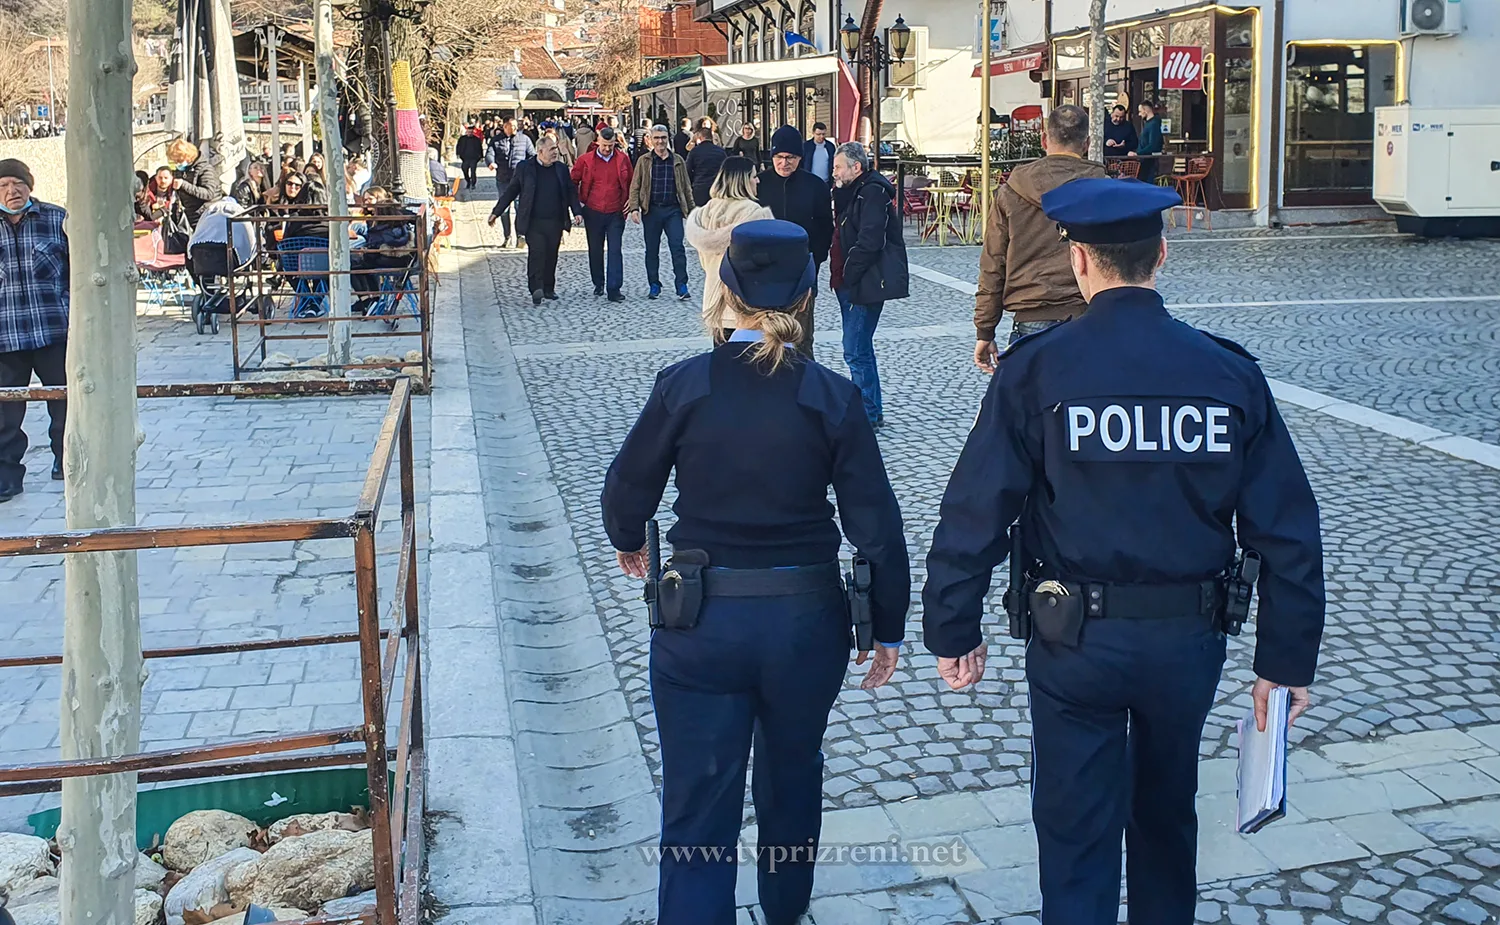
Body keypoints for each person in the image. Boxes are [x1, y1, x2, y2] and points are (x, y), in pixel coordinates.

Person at [922, 178, 1326, 925]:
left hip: (1074, 639)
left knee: (1076, 829)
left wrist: (954, 626)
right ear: (1161, 255)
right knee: (1167, 815)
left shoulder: (1036, 371)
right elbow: (1289, 528)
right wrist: (1285, 660)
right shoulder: (1227, 372)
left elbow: (976, 508)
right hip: (1187, 641)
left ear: (1079, 261)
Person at [601, 218, 909, 925]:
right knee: (793, 778)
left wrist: (627, 537)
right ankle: (784, 912)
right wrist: (887, 625)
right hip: (805, 621)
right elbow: (878, 527)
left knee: (699, 802)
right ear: (806, 296)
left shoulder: (685, 384)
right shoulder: (832, 395)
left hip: (703, 621)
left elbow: (626, 489)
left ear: (726, 291)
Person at [973, 104, 1106, 372]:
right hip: (1087, 313)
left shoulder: (1011, 191)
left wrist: (985, 330)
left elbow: (993, 264)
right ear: (1087, 143)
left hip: (1031, 315)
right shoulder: (1104, 188)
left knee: (1031, 409)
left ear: (1044, 140)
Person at [0, 160, 69, 500]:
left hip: (52, 331)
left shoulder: (57, 219)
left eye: (17, 183)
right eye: (3, 185)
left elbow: (78, 272)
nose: (11, 191)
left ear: (30, 185)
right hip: (5, 336)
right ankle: (7, 476)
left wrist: (70, 307)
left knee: (66, 402)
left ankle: (68, 462)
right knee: (4, 411)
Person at [831, 142, 905, 429]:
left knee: (855, 347)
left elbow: (870, 239)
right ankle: (870, 407)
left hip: (863, 282)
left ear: (856, 167)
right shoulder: (851, 191)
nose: (834, 172)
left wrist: (850, 272)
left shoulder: (872, 192)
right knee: (859, 347)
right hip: (848, 281)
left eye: (838, 167)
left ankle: (868, 412)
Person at [757, 126, 832, 356]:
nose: (784, 163)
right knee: (766, 337)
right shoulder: (759, 184)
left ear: (800, 157)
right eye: (779, 157)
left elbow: (825, 227)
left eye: (790, 157)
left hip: (803, 271)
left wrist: (815, 259)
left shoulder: (815, 185)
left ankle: (803, 384)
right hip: (765, 273)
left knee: (801, 337)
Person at [684, 157, 773, 338]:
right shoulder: (753, 213)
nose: (758, 180)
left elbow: (703, 260)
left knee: (720, 361)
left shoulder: (705, 211)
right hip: (746, 304)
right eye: (754, 176)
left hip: (714, 298)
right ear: (743, 180)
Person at [490, 136, 583, 306]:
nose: (555, 152)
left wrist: (577, 211)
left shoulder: (561, 169)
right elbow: (511, 191)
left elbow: (570, 192)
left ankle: (549, 287)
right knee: (537, 253)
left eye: (555, 148)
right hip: (533, 221)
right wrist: (497, 212)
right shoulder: (525, 168)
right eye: (551, 149)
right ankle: (536, 288)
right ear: (540, 151)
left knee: (551, 254)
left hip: (555, 220)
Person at [627, 124, 695, 301]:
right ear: (650, 139)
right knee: (652, 250)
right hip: (652, 210)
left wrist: (692, 211)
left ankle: (681, 284)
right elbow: (635, 186)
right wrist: (634, 208)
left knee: (677, 248)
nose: (660, 141)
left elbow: (686, 188)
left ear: (668, 139)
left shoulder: (678, 160)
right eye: (656, 138)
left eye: (663, 138)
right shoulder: (644, 161)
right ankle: (654, 284)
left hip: (673, 210)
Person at [571, 126, 634, 302]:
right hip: (593, 210)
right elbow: (573, 181)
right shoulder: (585, 160)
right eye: (604, 145)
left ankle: (614, 288)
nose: (607, 149)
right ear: (597, 141)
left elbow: (631, 181)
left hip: (616, 211)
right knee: (595, 249)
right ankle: (598, 282)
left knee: (615, 250)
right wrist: (577, 205)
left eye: (611, 145)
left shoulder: (622, 159)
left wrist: (631, 200)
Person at [489, 117, 537, 248]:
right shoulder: (496, 140)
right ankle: (507, 236)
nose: (515, 128)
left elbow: (532, 155)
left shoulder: (525, 139)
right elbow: (490, 153)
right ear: (505, 126)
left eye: (516, 126)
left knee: (519, 208)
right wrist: (491, 162)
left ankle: (520, 235)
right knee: (504, 209)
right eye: (512, 126)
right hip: (503, 179)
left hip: (520, 180)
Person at [166, 137, 223, 229]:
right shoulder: (181, 170)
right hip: (190, 215)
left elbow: (209, 193)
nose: (177, 164)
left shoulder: (205, 169)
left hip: (207, 215)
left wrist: (183, 185)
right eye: (174, 161)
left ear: (188, 157)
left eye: (179, 160)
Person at [685, 126, 727, 208]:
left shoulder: (695, 151)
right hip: (717, 188)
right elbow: (726, 170)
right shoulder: (721, 152)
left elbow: (688, 170)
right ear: (711, 137)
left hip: (700, 187)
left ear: (700, 138)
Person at [1132, 100, 1165, 184]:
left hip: (1148, 160)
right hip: (1145, 158)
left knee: (1146, 182)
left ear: (1146, 110)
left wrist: (1138, 153)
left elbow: (1153, 145)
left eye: (1140, 111)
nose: (1139, 114)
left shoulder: (1153, 124)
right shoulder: (1150, 124)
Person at [456, 124, 485, 189]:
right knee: (464, 169)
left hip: (474, 158)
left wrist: (481, 157)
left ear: (473, 132)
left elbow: (480, 148)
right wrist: (458, 153)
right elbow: (458, 146)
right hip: (465, 158)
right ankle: (468, 181)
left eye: (471, 132)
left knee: (473, 171)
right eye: (468, 132)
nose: (469, 133)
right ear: (466, 132)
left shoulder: (476, 140)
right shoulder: (462, 139)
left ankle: (473, 184)